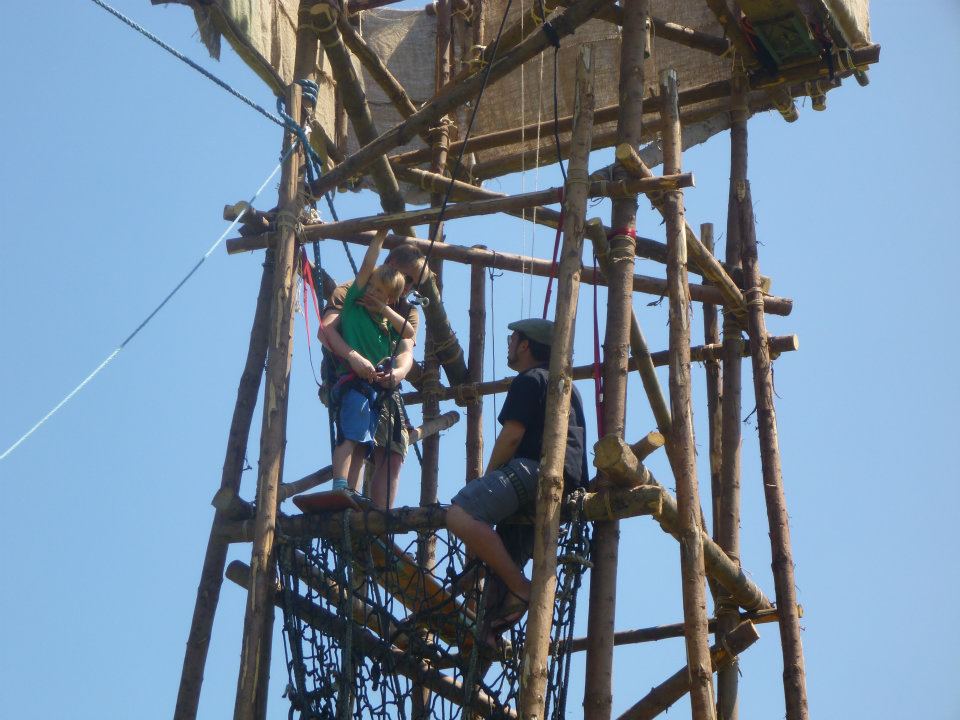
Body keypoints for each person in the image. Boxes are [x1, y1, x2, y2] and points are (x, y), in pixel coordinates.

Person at [446, 318, 588, 631]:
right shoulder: (568, 387)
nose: (509, 344)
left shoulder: (531, 379)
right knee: (501, 566)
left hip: (535, 471)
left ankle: (521, 587)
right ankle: (493, 629)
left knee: (460, 514)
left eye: (513, 339)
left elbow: (511, 436)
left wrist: (489, 478)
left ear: (525, 345)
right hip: (565, 485)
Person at [319, 234, 429, 508]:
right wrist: (353, 357)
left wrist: (399, 373)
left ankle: (379, 519)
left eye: (415, 284)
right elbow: (326, 332)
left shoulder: (403, 311)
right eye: (409, 278)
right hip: (348, 375)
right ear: (390, 265)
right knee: (354, 436)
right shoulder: (351, 292)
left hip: (382, 384)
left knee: (390, 449)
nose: (410, 288)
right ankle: (345, 493)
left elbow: (406, 349)